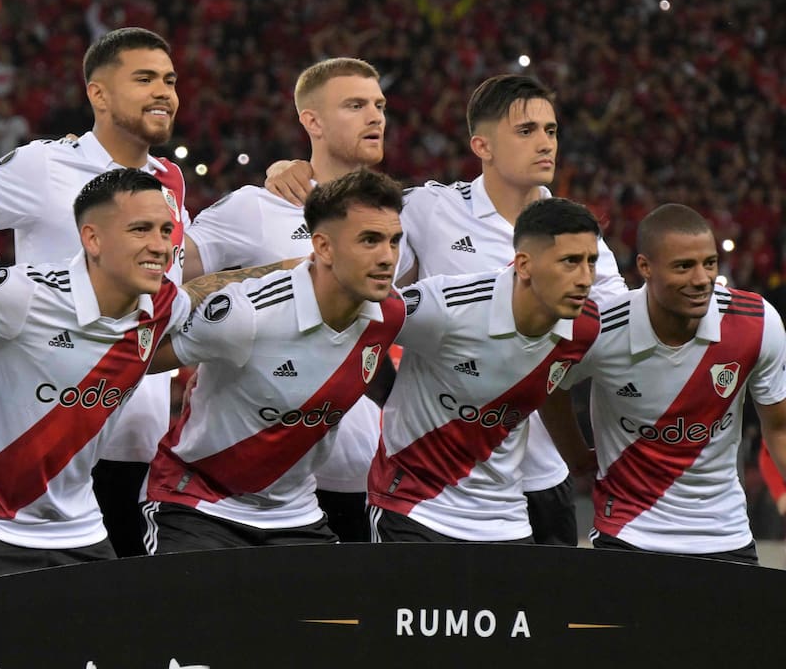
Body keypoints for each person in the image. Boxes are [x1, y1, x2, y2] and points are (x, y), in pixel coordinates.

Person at [270, 74, 627, 547]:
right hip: (433, 479)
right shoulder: (431, 208)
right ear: (483, 144)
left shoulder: (574, 234)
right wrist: (292, 169)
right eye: (526, 131)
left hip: (538, 475)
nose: (545, 143)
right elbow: (352, 235)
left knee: (537, 619)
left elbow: (619, 325)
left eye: (551, 130)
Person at [0, 169, 288, 583]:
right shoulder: (21, 292)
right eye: (140, 229)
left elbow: (198, 298)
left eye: (165, 231)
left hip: (83, 527)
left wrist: (303, 268)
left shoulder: (162, 307)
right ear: (92, 238)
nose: (160, 246)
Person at [0, 27, 188, 558]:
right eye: (144, 79)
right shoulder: (41, 166)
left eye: (169, 80)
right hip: (46, 444)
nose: (163, 91)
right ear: (98, 94)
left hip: (139, 442)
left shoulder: (170, 181)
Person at [182, 57, 390, 542]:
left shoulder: (401, 217)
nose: (376, 116)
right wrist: (273, 275)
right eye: (355, 105)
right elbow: (167, 280)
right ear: (311, 121)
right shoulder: (258, 208)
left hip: (367, 479)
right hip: (253, 483)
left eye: (379, 105)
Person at [144, 169, 406, 553]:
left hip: (297, 516)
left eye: (394, 241)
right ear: (324, 247)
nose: (387, 258)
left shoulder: (389, 315)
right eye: (369, 240)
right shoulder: (245, 315)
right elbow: (139, 359)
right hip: (198, 507)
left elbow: (375, 377)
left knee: (337, 615)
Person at [543, 203, 786, 564]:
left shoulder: (755, 323)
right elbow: (550, 389)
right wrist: (577, 457)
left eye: (709, 263)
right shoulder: (599, 330)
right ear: (645, 268)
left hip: (725, 536)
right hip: (626, 536)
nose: (702, 279)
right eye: (684, 266)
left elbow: (779, 428)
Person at [368, 197, 602, 544]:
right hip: (414, 510)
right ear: (523, 265)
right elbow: (358, 323)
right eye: (570, 262)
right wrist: (385, 396)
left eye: (591, 262)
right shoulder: (446, 308)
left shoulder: (583, 326)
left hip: (506, 518)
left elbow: (549, 383)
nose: (585, 279)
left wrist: (578, 458)